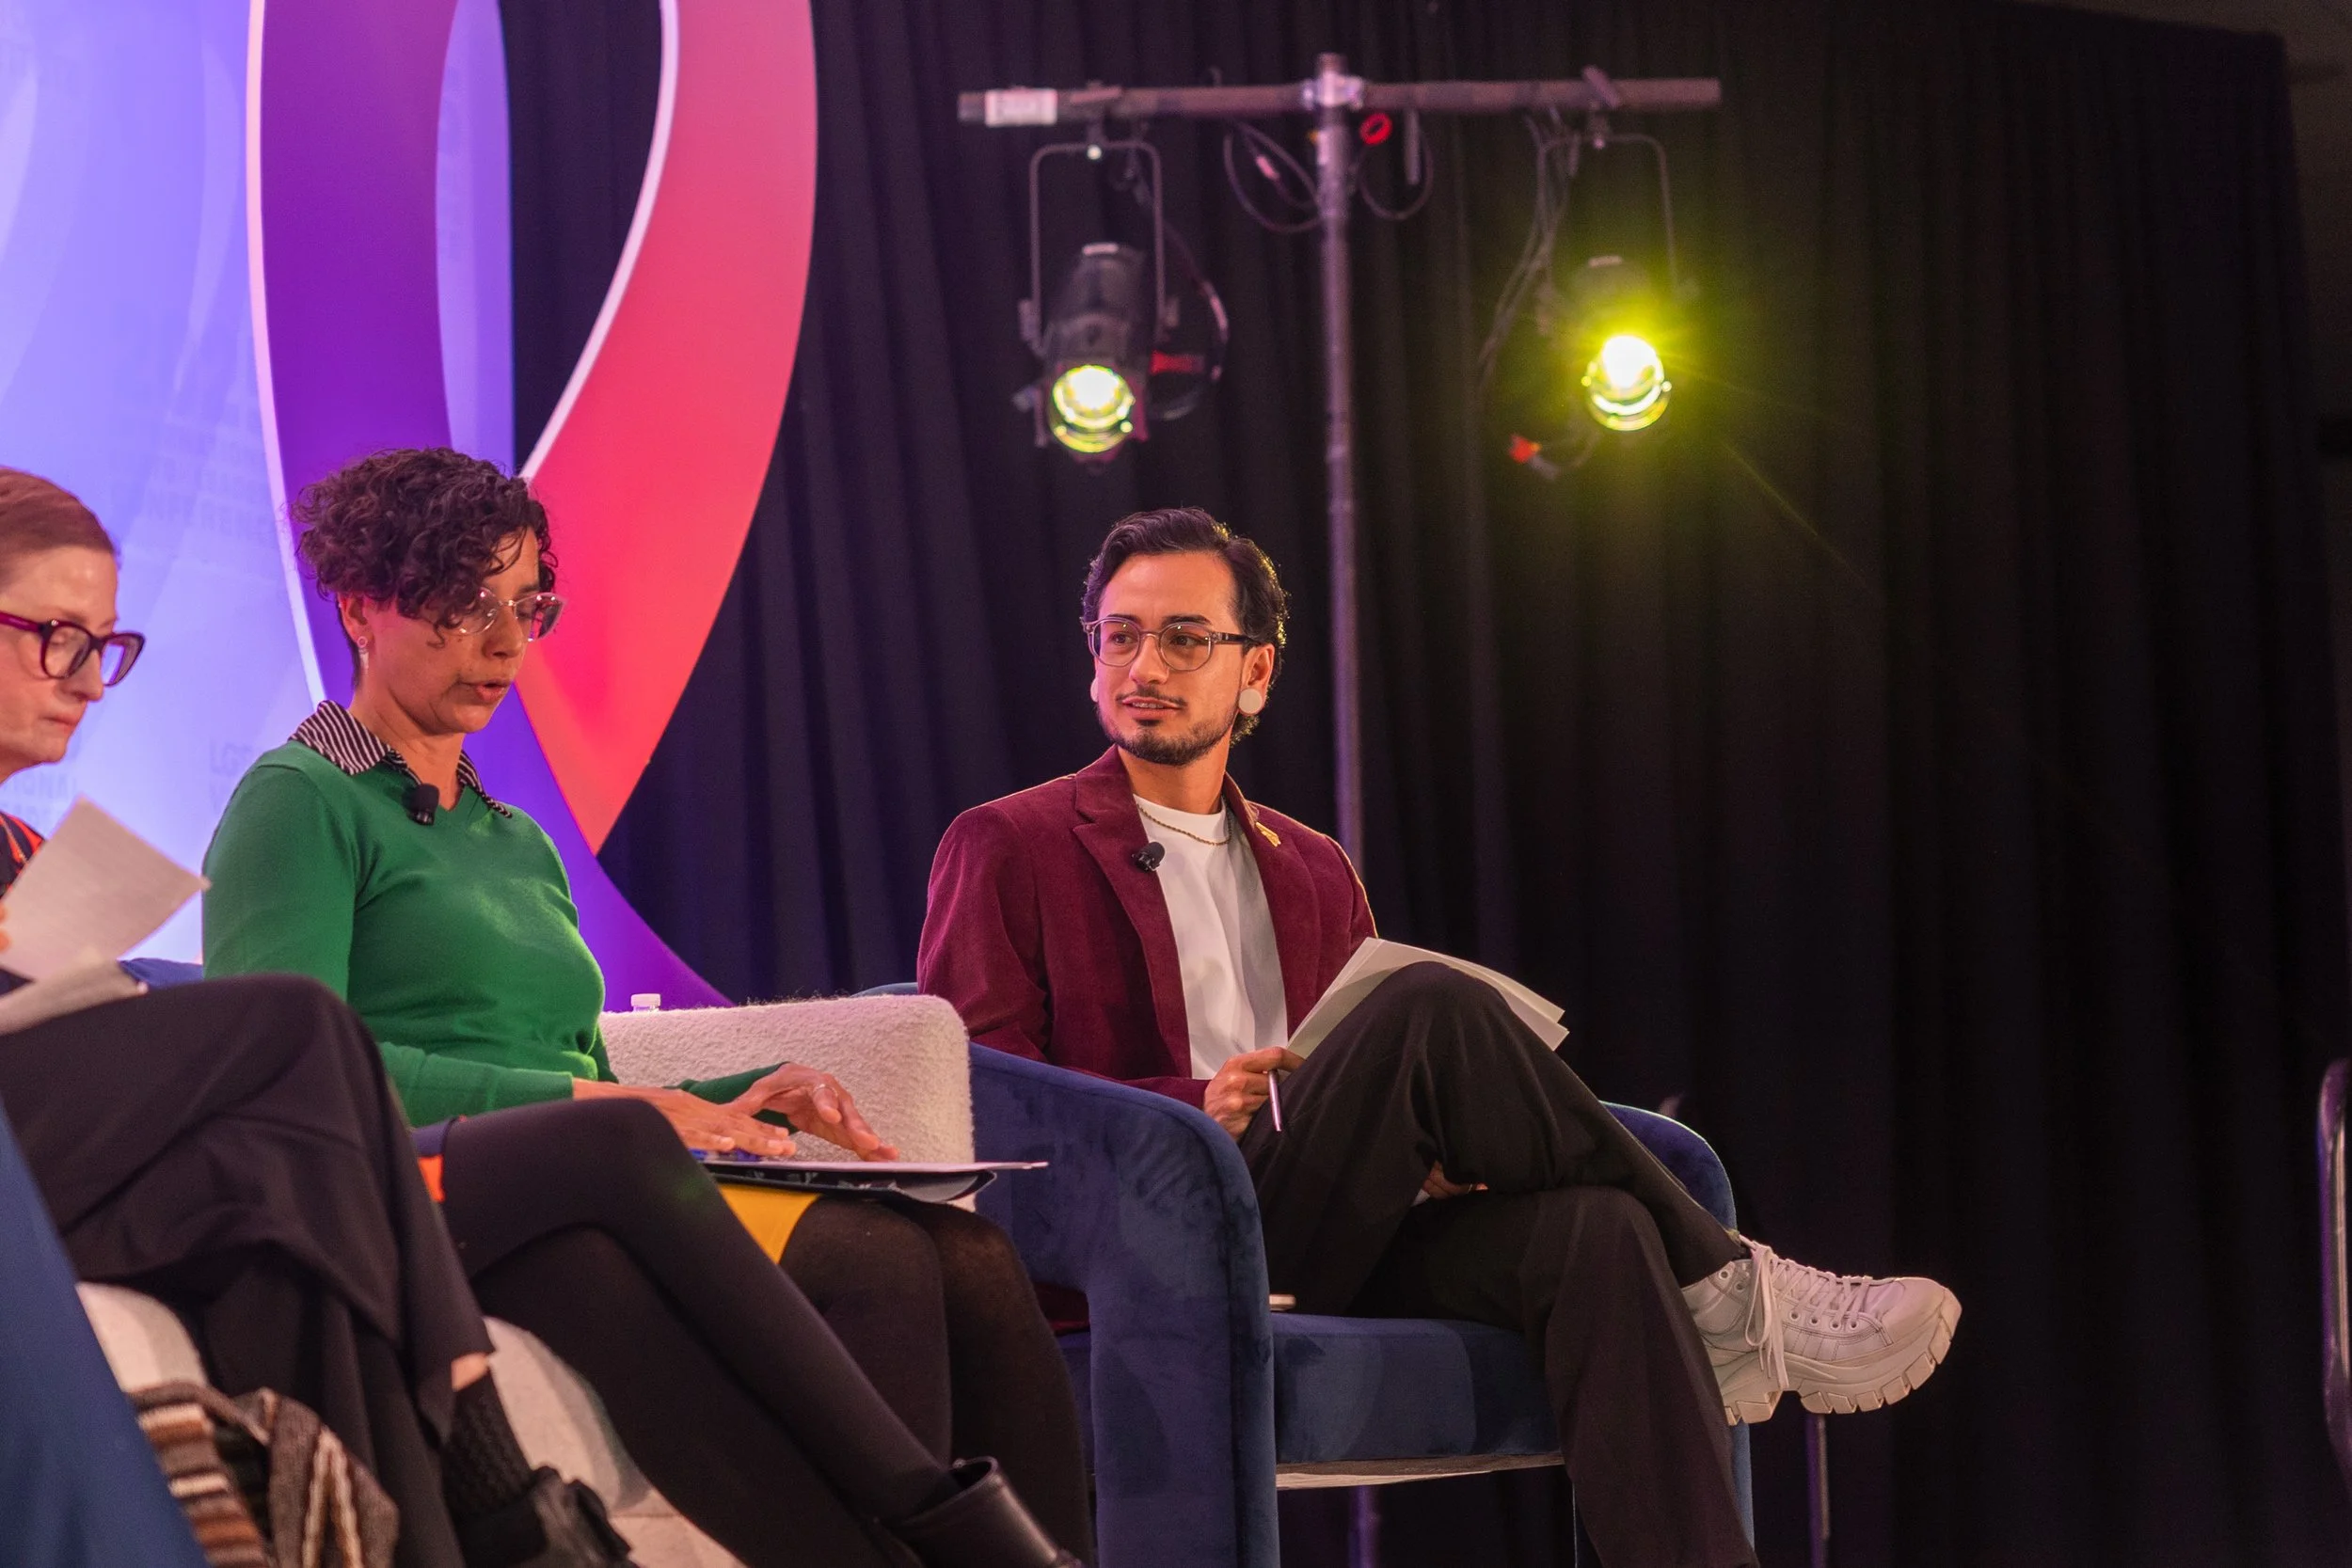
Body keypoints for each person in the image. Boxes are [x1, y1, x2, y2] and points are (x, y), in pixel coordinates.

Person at [918, 506, 1965, 1568]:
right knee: (1425, 1004)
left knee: (1595, 1229)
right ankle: (1737, 1284)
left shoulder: (1312, 863)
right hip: (1156, 1246)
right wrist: (1193, 1108)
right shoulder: (1009, 842)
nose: (1143, 663)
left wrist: (1426, 1157)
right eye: (1118, 634)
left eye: (1184, 637)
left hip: (1321, 1225)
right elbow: (973, 1110)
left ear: (1255, 671)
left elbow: (1360, 1070)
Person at [201, 447, 1092, 1566]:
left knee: (966, 1258)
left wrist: (733, 1096)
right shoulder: (301, 800)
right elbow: (279, 1073)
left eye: (524, 606)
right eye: (463, 607)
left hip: (583, 1162)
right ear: (360, 606)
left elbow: (582, 1068)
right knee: (872, 1262)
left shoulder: (514, 837)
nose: (505, 643)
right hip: (421, 1182)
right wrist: (590, 1102)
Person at [0, 467, 629, 1568]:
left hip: (60, 1154)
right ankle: (495, 1480)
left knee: (274, 1217)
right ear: (363, 609)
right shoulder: (303, 794)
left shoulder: (24, 850)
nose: (90, 680)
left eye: (105, 643)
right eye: (58, 635)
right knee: (294, 1026)